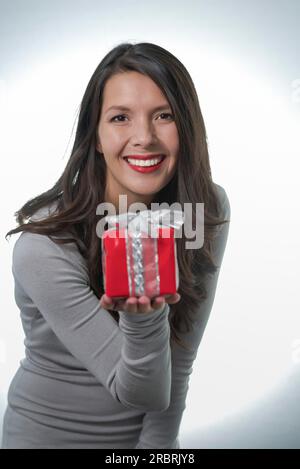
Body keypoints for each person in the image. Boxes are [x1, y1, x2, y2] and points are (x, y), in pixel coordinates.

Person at [1, 42, 231, 449]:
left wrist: (154, 452)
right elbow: (139, 392)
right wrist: (143, 320)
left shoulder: (203, 211)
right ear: (96, 136)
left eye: (165, 116)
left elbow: (178, 363)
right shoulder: (43, 246)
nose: (144, 138)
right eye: (120, 117)